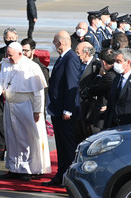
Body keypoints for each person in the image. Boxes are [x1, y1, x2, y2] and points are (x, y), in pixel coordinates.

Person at [0, 42, 50, 181]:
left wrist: (37, 111)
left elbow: (38, 92)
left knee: (26, 138)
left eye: (11, 55)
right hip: (10, 106)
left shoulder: (31, 67)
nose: (8, 57)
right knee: (11, 137)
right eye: (7, 54)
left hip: (26, 106)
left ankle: (26, 169)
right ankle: (14, 168)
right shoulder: (6, 63)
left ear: (20, 53)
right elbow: (0, 80)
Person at [42, 30, 81, 187]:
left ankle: (69, 177)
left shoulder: (71, 58)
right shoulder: (63, 58)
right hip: (57, 109)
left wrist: (68, 109)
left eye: (54, 42)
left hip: (65, 111)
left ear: (61, 43)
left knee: (67, 146)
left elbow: (72, 85)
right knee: (61, 146)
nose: (53, 45)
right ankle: (61, 174)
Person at [0, 27, 18, 161]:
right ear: (4, 39)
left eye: (13, 38)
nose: (10, 40)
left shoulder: (20, 53)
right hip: (0, 95)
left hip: (15, 95)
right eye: (8, 38)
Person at [83, 48, 117, 132]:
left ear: (104, 63)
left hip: (103, 116)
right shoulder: (117, 73)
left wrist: (99, 75)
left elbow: (92, 90)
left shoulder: (109, 76)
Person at [75, 41, 101, 140]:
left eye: (78, 53)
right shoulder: (78, 64)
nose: (76, 55)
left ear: (86, 53)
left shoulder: (96, 66)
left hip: (88, 107)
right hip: (78, 105)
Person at [21, 38, 49, 116]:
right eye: (22, 50)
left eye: (26, 51)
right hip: (21, 106)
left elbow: (44, 90)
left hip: (36, 107)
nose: (23, 53)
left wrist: (39, 110)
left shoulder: (41, 68)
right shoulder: (18, 66)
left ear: (33, 51)